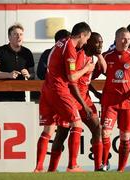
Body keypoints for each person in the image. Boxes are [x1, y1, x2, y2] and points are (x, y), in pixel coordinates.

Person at [34, 22, 94, 173]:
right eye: (86, 38)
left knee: (48, 129)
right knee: (77, 123)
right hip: (58, 90)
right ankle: (72, 166)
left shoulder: (61, 42)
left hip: (46, 89)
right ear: (81, 35)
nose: (86, 42)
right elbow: (72, 77)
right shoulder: (70, 49)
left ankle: (39, 168)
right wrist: (86, 68)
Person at [47, 32, 107, 172]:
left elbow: (100, 72)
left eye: (102, 42)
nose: (100, 45)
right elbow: (72, 82)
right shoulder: (78, 55)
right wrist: (84, 105)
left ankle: (98, 167)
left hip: (84, 98)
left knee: (97, 128)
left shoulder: (92, 57)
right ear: (88, 41)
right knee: (62, 133)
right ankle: (54, 169)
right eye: (97, 42)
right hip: (72, 98)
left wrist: (94, 92)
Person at [97, 27, 130, 172]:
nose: (126, 41)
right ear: (116, 39)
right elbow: (93, 74)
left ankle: (120, 170)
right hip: (110, 103)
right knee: (105, 133)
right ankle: (105, 164)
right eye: (123, 38)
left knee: (125, 137)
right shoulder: (107, 56)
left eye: (128, 38)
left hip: (129, 103)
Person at [0, 23, 35, 101]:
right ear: (9, 37)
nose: (19, 37)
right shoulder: (1, 51)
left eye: (21, 34)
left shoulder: (27, 53)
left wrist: (28, 75)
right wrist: (9, 75)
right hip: (1, 96)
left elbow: (33, 75)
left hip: (20, 95)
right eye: (15, 34)